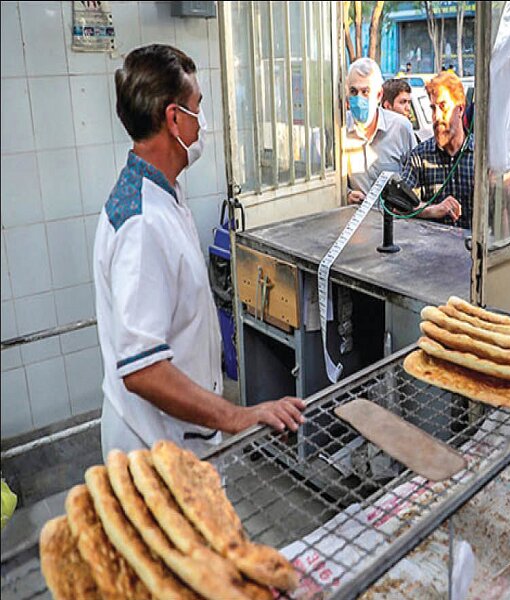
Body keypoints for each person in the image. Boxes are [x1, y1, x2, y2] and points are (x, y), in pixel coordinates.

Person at [93, 44, 305, 456]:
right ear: (174, 118)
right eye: (198, 106)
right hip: (155, 449)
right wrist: (238, 415)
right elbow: (143, 370)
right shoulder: (141, 223)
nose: (202, 122)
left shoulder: (162, 193)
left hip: (174, 437)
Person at [400, 71, 474, 229]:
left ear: (460, 109)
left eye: (443, 107)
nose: (437, 116)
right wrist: (433, 210)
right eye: (433, 109)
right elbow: (401, 205)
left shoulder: (481, 157)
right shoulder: (419, 156)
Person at [343, 58, 416, 204]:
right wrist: (347, 194)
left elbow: (416, 180)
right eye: (353, 91)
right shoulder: (341, 130)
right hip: (359, 222)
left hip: (397, 223)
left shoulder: (400, 128)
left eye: (365, 91)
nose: (359, 99)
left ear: (378, 95)